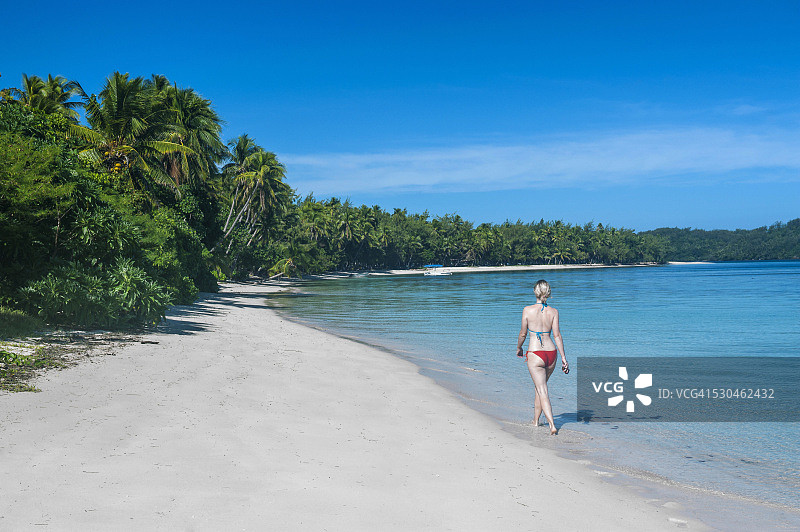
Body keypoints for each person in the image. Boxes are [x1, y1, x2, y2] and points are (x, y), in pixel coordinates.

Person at [516, 279, 569, 435]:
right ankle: (536, 421)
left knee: (542, 389)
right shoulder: (554, 312)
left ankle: (552, 424)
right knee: (539, 388)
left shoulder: (527, 310)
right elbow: (557, 335)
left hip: (535, 353)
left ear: (535, 292)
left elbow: (523, 333)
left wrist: (519, 348)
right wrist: (564, 358)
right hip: (551, 353)